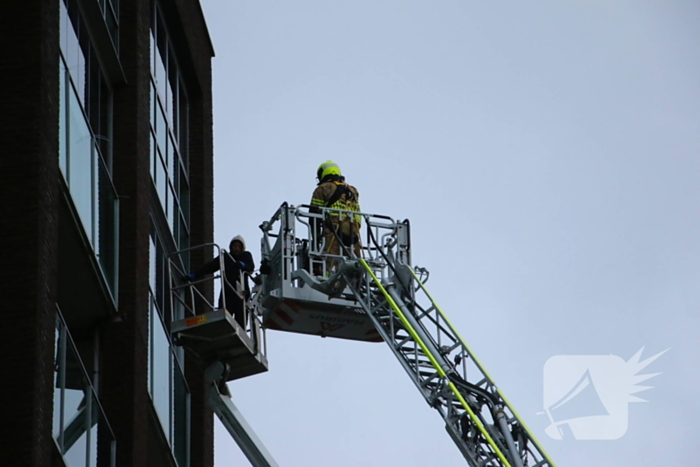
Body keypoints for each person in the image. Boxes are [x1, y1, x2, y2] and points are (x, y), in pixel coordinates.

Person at [186, 235, 255, 328]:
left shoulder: (246, 255)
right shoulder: (225, 257)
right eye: (235, 246)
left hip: (241, 294)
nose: (237, 248)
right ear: (231, 247)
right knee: (224, 321)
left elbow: (250, 267)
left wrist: (242, 265)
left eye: (239, 246)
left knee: (241, 323)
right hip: (227, 293)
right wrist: (194, 275)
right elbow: (210, 267)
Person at [309, 161, 362, 273]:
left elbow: (314, 216)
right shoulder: (352, 190)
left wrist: (316, 238)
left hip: (333, 232)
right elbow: (358, 214)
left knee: (330, 264)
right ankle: (358, 281)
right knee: (356, 264)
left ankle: (329, 282)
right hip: (353, 234)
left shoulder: (322, 189)